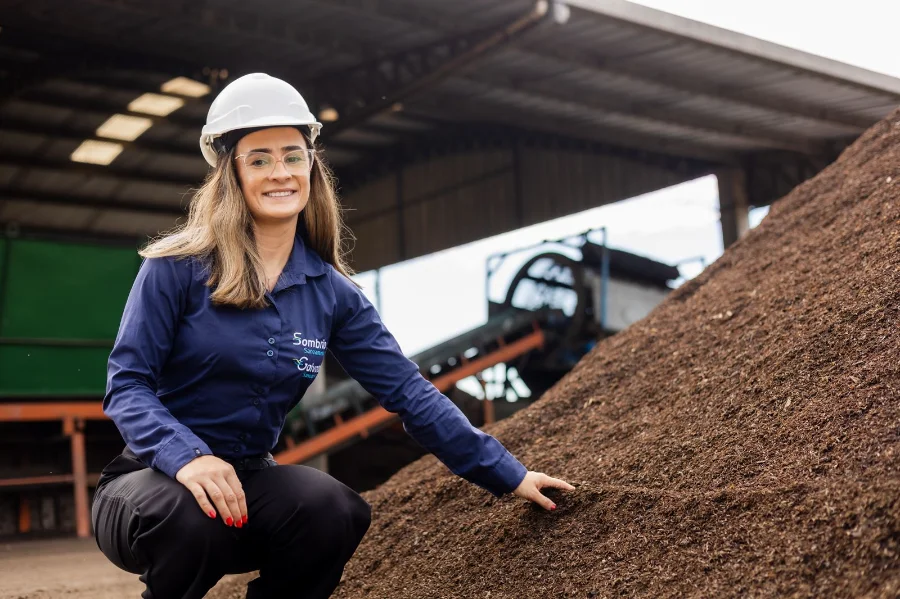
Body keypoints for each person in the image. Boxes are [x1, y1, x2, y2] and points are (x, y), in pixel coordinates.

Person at [91, 72, 574, 599]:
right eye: (259, 159)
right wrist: (188, 456)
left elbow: (409, 393)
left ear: (311, 166)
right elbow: (127, 385)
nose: (280, 173)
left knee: (333, 510)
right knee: (190, 514)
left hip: (248, 480)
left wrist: (510, 474)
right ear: (231, 173)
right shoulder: (177, 268)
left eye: (293, 156)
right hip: (148, 483)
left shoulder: (332, 293)